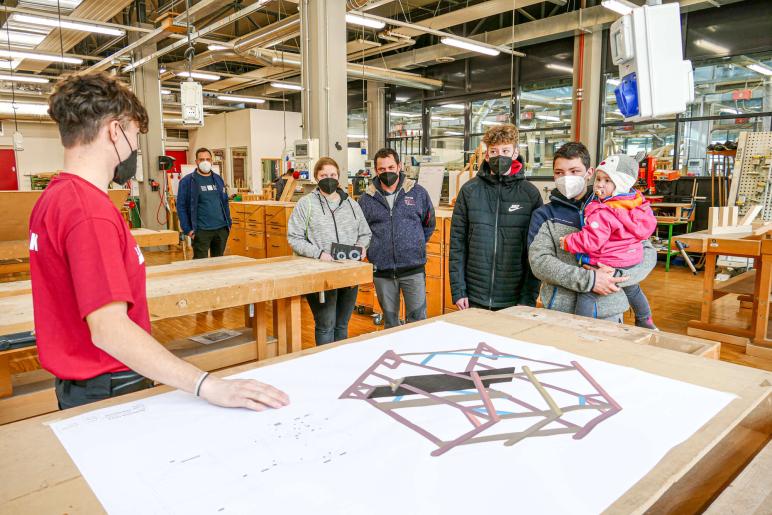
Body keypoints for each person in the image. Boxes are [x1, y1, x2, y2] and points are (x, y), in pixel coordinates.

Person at [29, 72, 289, 411]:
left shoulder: (54, 198)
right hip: (111, 387)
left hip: (83, 385)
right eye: (136, 135)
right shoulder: (88, 211)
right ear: (114, 130)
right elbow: (109, 331)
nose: (136, 147)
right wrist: (207, 384)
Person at [528, 142, 656, 323]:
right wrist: (590, 279)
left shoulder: (617, 208)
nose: (566, 178)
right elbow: (539, 262)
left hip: (610, 311)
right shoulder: (545, 214)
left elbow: (647, 252)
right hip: (558, 313)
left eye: (574, 171)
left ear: (589, 173)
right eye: (559, 173)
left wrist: (616, 276)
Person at [449, 123, 543, 311]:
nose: (499, 156)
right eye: (494, 151)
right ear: (487, 155)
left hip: (513, 298)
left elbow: (534, 252)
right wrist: (459, 290)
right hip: (474, 295)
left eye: (505, 150)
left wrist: (528, 298)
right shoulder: (469, 191)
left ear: (515, 153)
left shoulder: (530, 195)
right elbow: (457, 244)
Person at [560, 155, 658, 328]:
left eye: (607, 180)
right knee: (633, 288)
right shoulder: (637, 204)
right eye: (598, 179)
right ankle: (645, 319)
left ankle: (581, 326)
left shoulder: (603, 211)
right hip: (630, 259)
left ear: (619, 185)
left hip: (608, 261)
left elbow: (591, 241)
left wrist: (568, 241)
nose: (599, 185)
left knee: (588, 292)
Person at [287, 157, 372, 344]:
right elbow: (294, 237)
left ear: (339, 177)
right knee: (326, 324)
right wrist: (318, 254)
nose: (329, 178)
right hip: (320, 272)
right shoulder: (306, 204)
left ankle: (340, 365)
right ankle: (324, 367)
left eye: (333, 174)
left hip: (348, 271)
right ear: (317, 177)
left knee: (342, 323)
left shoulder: (351, 204)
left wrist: (361, 246)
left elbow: (365, 233)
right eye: (324, 175)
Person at [358, 148, 436, 328]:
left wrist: (415, 243)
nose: (387, 172)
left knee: (417, 322)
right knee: (390, 324)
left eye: (391, 167)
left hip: (413, 270)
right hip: (382, 271)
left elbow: (429, 222)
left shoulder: (417, 193)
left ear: (399, 166)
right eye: (382, 169)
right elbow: (361, 230)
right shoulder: (366, 199)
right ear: (376, 171)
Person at [177, 147, 232, 259]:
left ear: (211, 161)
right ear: (196, 161)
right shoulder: (187, 181)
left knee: (219, 263)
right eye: (202, 160)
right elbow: (181, 207)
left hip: (221, 229)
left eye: (207, 159)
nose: (205, 162)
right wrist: (188, 229)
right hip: (201, 231)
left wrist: (228, 224)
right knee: (200, 265)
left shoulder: (218, 179)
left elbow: (225, 202)